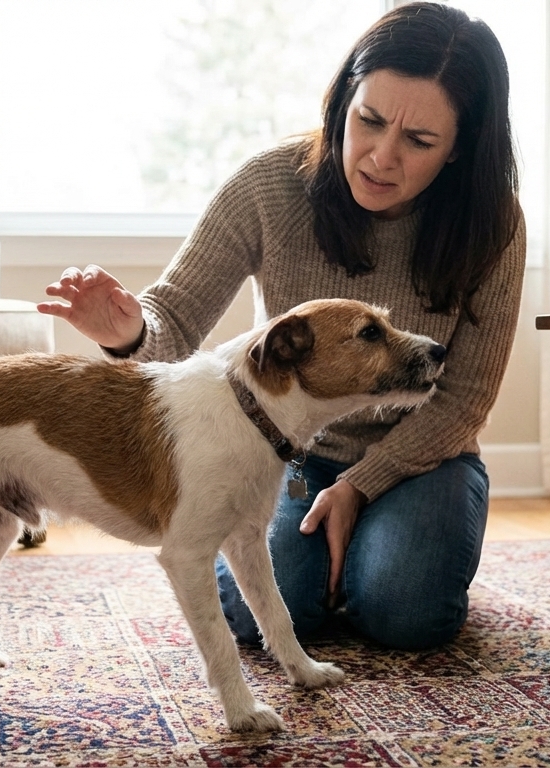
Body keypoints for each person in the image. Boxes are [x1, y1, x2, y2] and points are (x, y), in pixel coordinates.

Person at [37, 1, 524, 652]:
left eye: (418, 141)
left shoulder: (493, 224)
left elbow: (464, 399)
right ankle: (346, 564)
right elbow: (173, 320)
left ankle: (376, 554)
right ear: (343, 100)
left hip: (422, 462)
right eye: (369, 121)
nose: (379, 157)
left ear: (460, 146)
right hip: (284, 452)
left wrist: (360, 487)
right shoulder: (269, 185)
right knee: (262, 612)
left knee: (407, 614)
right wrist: (126, 332)